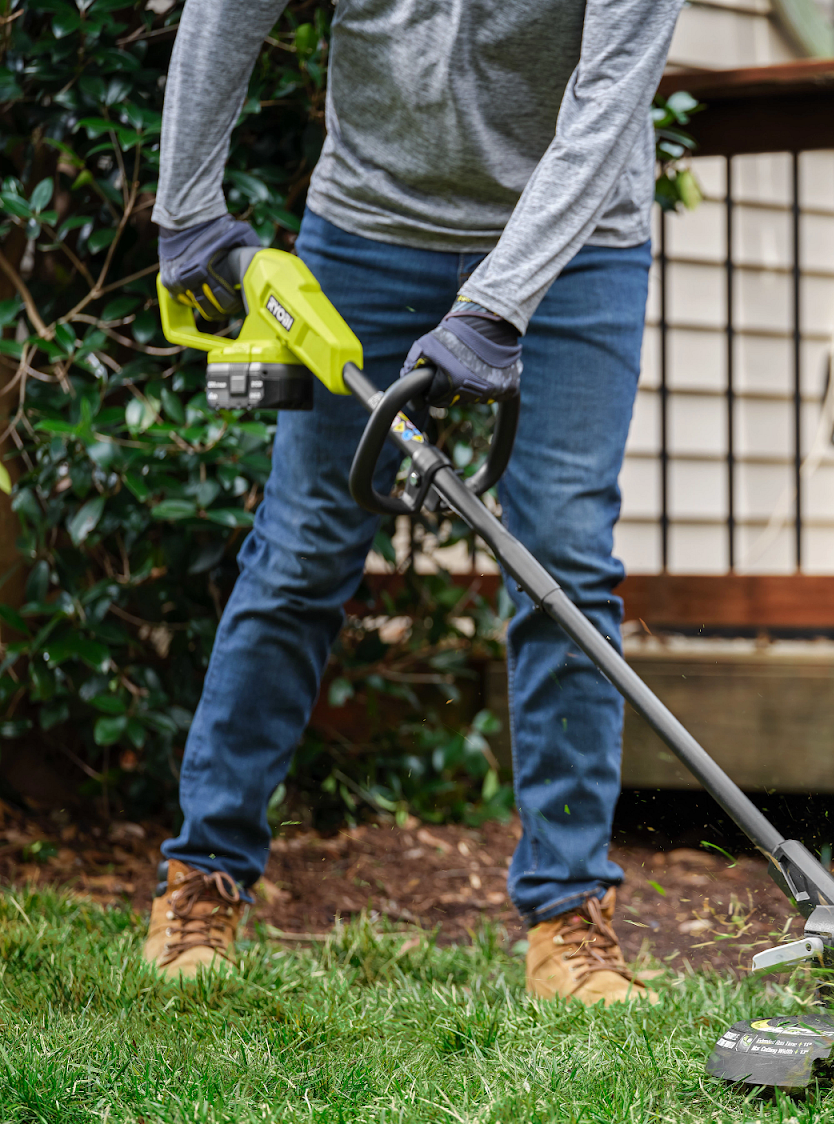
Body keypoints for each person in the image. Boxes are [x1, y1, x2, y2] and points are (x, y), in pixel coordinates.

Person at [146, 0, 683, 1002]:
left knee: (562, 559)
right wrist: (186, 207)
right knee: (301, 547)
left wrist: (496, 303)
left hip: (578, 248)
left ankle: (569, 916)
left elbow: (611, 97)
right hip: (368, 230)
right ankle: (201, 878)